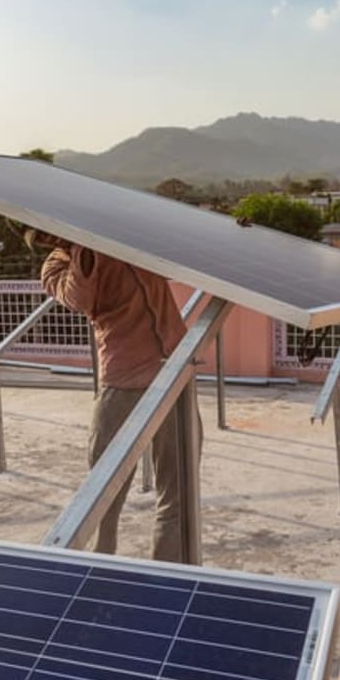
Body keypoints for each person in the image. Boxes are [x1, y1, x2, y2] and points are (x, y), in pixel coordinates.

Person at [34, 231, 201, 562]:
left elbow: (176, 252)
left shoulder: (125, 236)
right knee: (103, 495)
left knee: (179, 493)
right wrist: (83, 250)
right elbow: (78, 298)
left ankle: (167, 575)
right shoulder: (55, 266)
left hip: (174, 375)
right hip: (123, 382)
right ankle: (102, 565)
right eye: (40, 236)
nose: (48, 237)